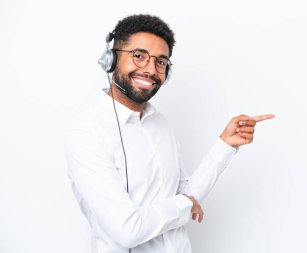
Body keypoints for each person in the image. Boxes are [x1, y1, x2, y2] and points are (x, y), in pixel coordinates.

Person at [65, 14, 274, 253]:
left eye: (161, 62)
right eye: (139, 56)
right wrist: (184, 205)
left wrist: (225, 145)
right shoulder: (87, 132)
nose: (151, 70)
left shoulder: (159, 123)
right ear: (110, 59)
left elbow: (187, 193)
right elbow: (127, 230)